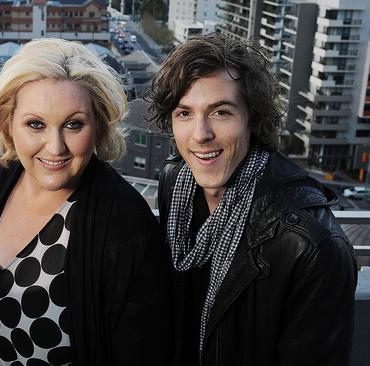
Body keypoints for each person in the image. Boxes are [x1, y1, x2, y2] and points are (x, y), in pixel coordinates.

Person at [0, 38, 172, 365]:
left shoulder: (127, 228)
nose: (55, 147)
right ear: (9, 124)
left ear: (97, 126)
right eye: (35, 124)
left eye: (73, 124)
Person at [150, 33, 358, 365]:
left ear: (253, 119)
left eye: (221, 112)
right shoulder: (176, 182)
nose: (201, 135)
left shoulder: (312, 246)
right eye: (184, 113)